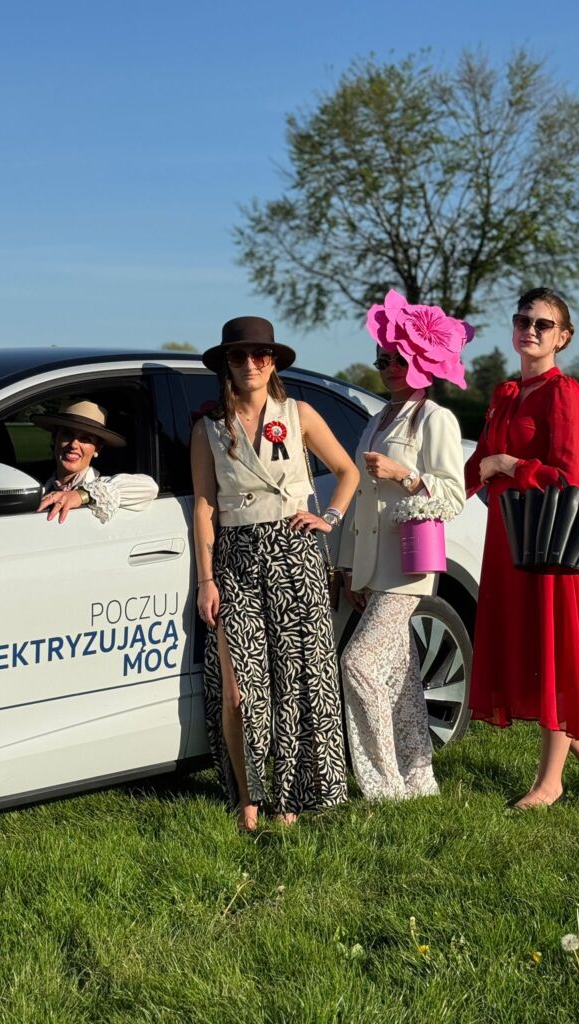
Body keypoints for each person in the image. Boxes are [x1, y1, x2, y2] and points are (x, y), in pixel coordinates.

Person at [191, 316, 360, 830]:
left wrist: (330, 517)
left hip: (295, 555)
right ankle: (248, 795)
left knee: (298, 680)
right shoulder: (209, 428)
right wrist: (206, 579)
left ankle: (291, 796)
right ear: (226, 364)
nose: (251, 364)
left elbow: (348, 471)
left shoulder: (299, 413)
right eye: (239, 356)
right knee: (238, 688)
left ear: (273, 362)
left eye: (260, 355)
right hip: (236, 559)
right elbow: (204, 505)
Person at [465, 287, 579, 808]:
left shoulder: (562, 392)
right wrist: (423, 486)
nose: (530, 329)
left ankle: (550, 781)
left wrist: (510, 466)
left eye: (543, 324)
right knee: (529, 651)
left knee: (553, 652)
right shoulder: (505, 393)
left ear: (562, 337)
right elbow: (474, 466)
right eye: (522, 320)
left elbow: (568, 476)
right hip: (506, 541)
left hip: (549, 542)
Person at [337, 290, 469, 801]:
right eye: (381, 360)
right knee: (401, 677)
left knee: (359, 664)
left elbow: (453, 494)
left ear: (421, 361)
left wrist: (405, 475)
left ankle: (384, 784)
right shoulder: (378, 419)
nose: (388, 368)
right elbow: (359, 501)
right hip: (373, 566)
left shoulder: (435, 418)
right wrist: (349, 566)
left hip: (409, 565)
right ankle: (418, 779)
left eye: (396, 359)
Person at [31, 400, 158, 523]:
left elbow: (150, 487)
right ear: (55, 438)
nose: (74, 445)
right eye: (67, 434)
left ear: (97, 448)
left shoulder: (103, 489)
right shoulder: (38, 484)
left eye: (86, 439)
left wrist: (82, 495)